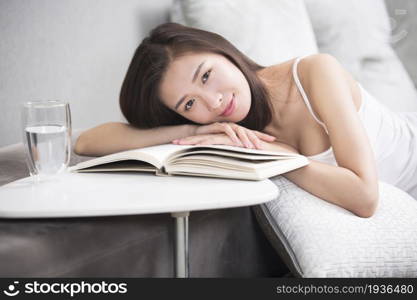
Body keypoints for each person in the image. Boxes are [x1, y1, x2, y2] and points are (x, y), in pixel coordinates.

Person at [75, 22, 417, 218]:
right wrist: (192, 129)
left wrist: (274, 161)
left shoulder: (315, 72)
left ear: (223, 51)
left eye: (206, 75)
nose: (214, 102)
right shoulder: (227, 129)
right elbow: (87, 142)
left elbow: (364, 197)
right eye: (189, 102)